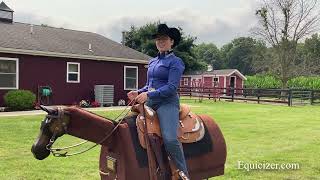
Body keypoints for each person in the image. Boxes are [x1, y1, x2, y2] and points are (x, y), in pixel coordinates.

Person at [127, 24, 189, 179]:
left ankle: (183, 173)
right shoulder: (153, 62)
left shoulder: (176, 62)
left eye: (164, 39)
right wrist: (138, 92)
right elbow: (150, 85)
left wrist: (148, 95)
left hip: (167, 102)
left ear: (172, 42)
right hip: (151, 102)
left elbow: (171, 87)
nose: (160, 42)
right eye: (158, 39)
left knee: (169, 138)